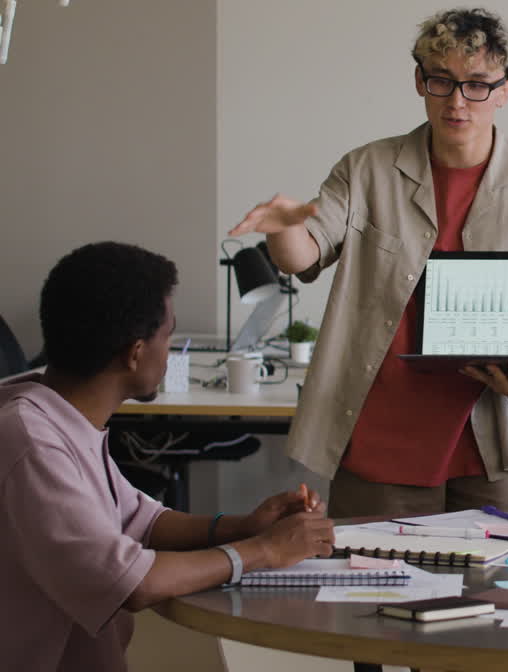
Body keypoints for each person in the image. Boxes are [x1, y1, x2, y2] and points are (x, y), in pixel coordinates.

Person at [229, 8, 508, 517]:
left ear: (506, 90)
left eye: (477, 85)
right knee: (374, 592)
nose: (457, 101)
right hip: (382, 436)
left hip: (494, 442)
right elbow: (303, 254)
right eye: (441, 81)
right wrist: (282, 225)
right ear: (420, 81)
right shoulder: (366, 169)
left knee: (497, 591)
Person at [0, 242, 335, 672]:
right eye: (169, 334)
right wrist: (262, 550)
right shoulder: (32, 442)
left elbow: (142, 520)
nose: (173, 349)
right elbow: (131, 581)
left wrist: (242, 526)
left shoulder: (59, 416)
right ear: (135, 352)